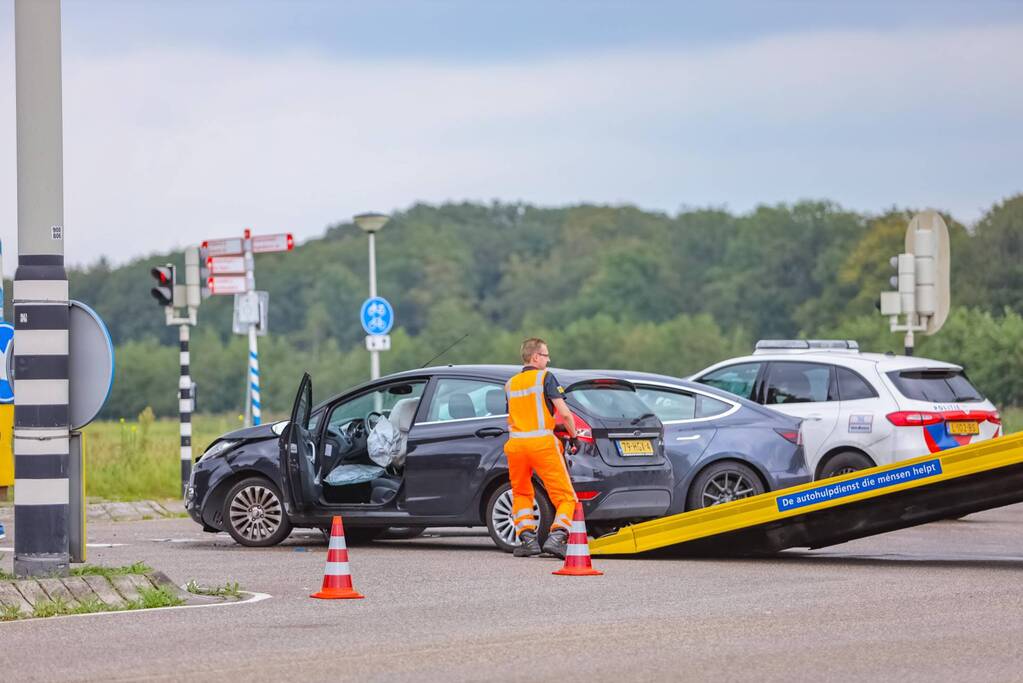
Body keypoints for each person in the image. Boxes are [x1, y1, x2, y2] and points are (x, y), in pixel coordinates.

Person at [504, 338, 579, 559]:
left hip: (516, 446)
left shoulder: (510, 384)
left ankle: (527, 539)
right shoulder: (545, 377)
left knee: (521, 492)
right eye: (546, 355)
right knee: (565, 496)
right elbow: (564, 413)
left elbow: (518, 416)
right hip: (542, 445)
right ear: (535, 357)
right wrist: (574, 436)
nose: (548, 359)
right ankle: (557, 538)